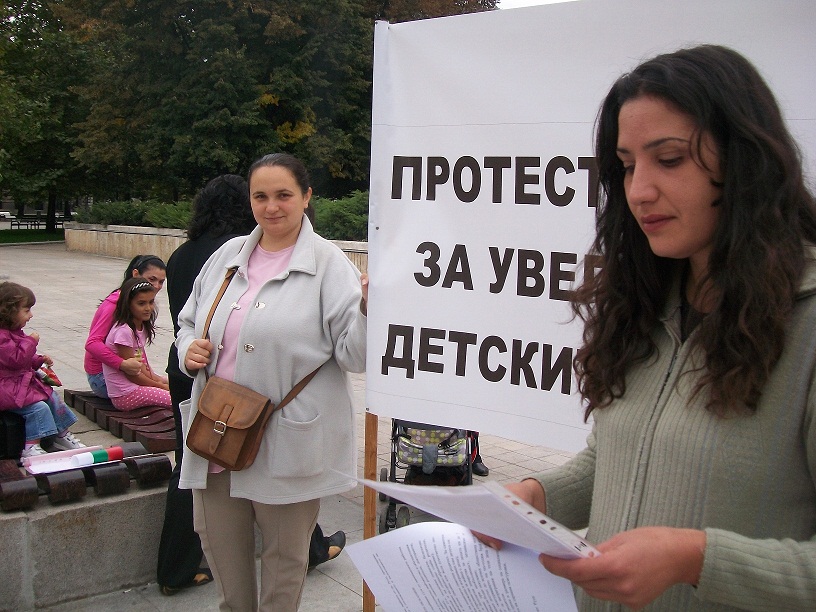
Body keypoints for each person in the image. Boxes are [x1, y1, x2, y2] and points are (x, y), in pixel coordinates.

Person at [478, 45, 816, 610]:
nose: (639, 191)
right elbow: (618, 459)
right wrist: (537, 496)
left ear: (745, 160)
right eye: (628, 165)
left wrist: (696, 560)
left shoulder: (807, 323)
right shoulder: (644, 303)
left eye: (670, 159)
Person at [176, 153, 368, 611]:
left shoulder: (328, 264)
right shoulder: (226, 256)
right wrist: (187, 350)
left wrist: (369, 310)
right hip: (217, 434)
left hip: (285, 443)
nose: (271, 206)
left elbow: (354, 355)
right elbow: (187, 321)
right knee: (223, 557)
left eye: (284, 195)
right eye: (260, 196)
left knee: (284, 564)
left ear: (306, 196)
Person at [0, 282, 86, 457]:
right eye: (26, 310)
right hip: (6, 389)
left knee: (52, 397)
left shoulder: (15, 331)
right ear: (9, 312)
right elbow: (15, 360)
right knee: (39, 408)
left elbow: (24, 360)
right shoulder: (2, 337)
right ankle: (31, 446)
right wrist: (30, 341)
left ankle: (62, 433)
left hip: (18, 385)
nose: (31, 315)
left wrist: (38, 360)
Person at [84, 254, 167, 398]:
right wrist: (122, 364)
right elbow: (92, 343)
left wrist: (155, 378)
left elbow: (137, 351)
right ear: (135, 274)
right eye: (152, 279)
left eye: (161, 282)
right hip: (101, 377)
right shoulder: (116, 305)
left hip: (126, 372)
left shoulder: (141, 306)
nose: (156, 286)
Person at [102, 277, 171, 411]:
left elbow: (141, 364)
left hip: (136, 385)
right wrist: (160, 386)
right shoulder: (124, 332)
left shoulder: (140, 326)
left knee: (175, 383)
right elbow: (133, 374)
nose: (148, 308)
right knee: (174, 399)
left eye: (151, 302)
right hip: (125, 394)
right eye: (141, 303)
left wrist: (157, 380)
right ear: (128, 305)